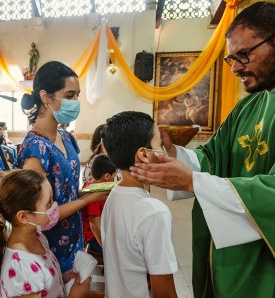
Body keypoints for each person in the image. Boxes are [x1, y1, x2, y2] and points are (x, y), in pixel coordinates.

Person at [130, 2, 275, 297]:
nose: (236, 67)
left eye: (243, 55)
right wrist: (174, 156)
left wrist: (191, 181)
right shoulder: (250, 103)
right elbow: (213, 157)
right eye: (231, 58)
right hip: (232, 255)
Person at [15, 61, 108, 282]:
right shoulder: (35, 150)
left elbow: (68, 192)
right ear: (46, 97)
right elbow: (38, 217)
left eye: (77, 95)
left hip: (72, 233)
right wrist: (89, 200)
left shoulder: (67, 138)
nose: (75, 102)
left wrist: (92, 191)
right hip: (49, 242)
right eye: (69, 95)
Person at [0, 169, 90, 297]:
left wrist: (59, 278)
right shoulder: (22, 269)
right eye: (49, 203)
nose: (55, 207)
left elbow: (41, 282)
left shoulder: (38, 237)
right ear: (23, 216)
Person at [101, 111, 178, 298]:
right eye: (159, 144)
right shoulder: (154, 212)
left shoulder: (114, 195)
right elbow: (164, 291)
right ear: (143, 154)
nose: (163, 151)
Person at [82, 154, 116, 253]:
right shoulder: (94, 194)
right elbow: (94, 225)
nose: (115, 178)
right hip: (93, 237)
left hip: (102, 228)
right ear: (107, 176)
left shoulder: (94, 184)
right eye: (114, 175)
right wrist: (106, 247)